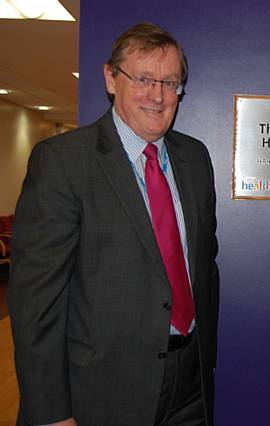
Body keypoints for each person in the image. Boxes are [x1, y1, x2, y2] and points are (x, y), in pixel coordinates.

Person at [8, 22, 219, 426]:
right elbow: (36, 302)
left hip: (190, 385)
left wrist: (204, 360)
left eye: (171, 82)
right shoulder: (64, 162)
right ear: (110, 78)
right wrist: (51, 412)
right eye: (143, 78)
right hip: (103, 391)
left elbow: (204, 267)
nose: (157, 95)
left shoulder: (196, 159)